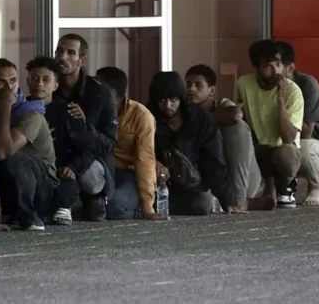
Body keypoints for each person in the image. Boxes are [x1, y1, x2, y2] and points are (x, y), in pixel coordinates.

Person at [0, 59, 66, 231]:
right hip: (8, 182)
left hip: (42, 187)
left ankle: (28, 216)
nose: (8, 88)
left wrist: (5, 106)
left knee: (15, 158)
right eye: (1, 82)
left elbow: (2, 152)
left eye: (13, 81)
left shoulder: (31, 113)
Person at [148, 72, 243, 216]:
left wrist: (228, 201)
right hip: (156, 184)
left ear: (181, 98)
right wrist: (153, 162)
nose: (168, 105)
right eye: (162, 100)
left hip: (191, 185)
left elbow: (214, 161)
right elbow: (136, 150)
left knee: (202, 204)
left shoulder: (200, 119)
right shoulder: (147, 118)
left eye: (173, 99)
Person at [53, 34, 118, 221]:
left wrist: (84, 126)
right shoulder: (48, 86)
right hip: (57, 159)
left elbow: (108, 145)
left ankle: (93, 199)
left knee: (91, 177)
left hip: (90, 162)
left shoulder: (99, 92)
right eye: (59, 51)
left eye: (70, 53)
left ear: (82, 60)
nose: (62, 57)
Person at [235, 40, 304, 210]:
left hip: (283, 150)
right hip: (258, 148)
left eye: (278, 64)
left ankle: (287, 183)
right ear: (257, 68)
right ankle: (269, 189)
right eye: (267, 66)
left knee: (287, 153)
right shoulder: (244, 84)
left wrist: (280, 100)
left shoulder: (293, 91)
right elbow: (237, 114)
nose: (276, 71)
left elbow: (288, 138)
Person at [185, 64, 260, 210]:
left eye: (198, 85)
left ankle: (239, 199)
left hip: (241, 180)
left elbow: (236, 115)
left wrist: (201, 119)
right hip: (212, 180)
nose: (191, 89)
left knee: (238, 128)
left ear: (211, 90)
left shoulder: (222, 106)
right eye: (188, 84)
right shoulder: (183, 111)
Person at [95, 67, 164, 221]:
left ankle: (137, 207)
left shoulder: (141, 116)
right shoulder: (93, 109)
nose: (92, 90)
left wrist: (148, 207)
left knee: (114, 207)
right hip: (100, 169)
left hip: (127, 173)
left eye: (97, 86)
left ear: (111, 92)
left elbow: (145, 161)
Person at [25, 56, 78, 225]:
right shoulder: (20, 109)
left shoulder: (67, 111)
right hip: (31, 167)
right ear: (27, 81)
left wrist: (72, 166)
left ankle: (64, 207)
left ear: (55, 85)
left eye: (46, 79)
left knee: (68, 184)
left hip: (59, 169)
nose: (39, 83)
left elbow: (82, 146)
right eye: (34, 78)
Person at [278, 41, 319, 206]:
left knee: (304, 147)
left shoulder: (307, 85)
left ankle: (316, 186)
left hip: (317, 144)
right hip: (283, 141)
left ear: (290, 68)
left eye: (277, 65)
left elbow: (306, 132)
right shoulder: (263, 84)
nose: (272, 72)